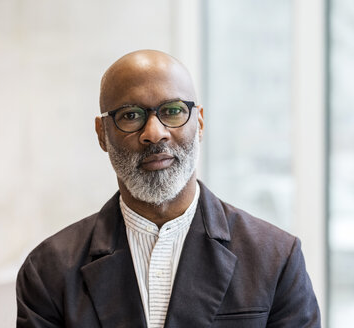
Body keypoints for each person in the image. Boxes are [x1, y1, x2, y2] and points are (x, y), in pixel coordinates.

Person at [16, 49, 321, 328]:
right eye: (131, 115)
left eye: (173, 111)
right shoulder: (48, 271)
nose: (155, 133)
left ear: (199, 123)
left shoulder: (276, 259)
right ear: (101, 134)